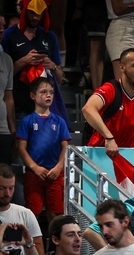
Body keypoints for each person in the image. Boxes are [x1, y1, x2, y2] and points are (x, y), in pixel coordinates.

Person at [16, 77, 71, 222]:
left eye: (51, 92)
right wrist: (35, 167)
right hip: (34, 174)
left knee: (55, 214)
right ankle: (32, 243)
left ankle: (55, 244)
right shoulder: (27, 120)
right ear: (33, 95)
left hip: (55, 173)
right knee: (32, 214)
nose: (48, 95)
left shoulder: (59, 121)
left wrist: (59, 167)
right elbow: (21, 148)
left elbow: (65, 146)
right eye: (43, 92)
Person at [1, 0, 64, 125]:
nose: (36, 17)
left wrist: (53, 66)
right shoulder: (9, 35)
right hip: (18, 105)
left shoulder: (49, 36)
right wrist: (24, 61)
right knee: (20, 144)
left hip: (43, 108)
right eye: (32, 13)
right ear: (23, 11)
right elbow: (4, 74)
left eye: (39, 13)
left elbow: (60, 78)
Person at [0, 163, 44, 255]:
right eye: (2, 188)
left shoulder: (25, 214)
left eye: (11, 188)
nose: (7, 193)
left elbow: (40, 252)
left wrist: (29, 244)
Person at [0, 13, 15, 165]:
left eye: (3, 26)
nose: (1, 30)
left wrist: (12, 128)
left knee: (4, 176)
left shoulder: (7, 60)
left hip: (3, 131)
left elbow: (8, 97)